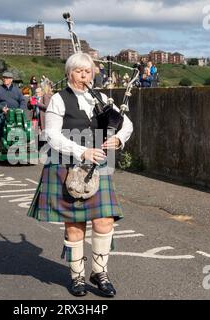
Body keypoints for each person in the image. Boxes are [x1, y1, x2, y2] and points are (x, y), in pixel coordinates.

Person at [27, 53, 133, 297]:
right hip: (66, 166)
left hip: (97, 168)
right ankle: (77, 276)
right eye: (78, 71)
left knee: (104, 220)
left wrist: (119, 138)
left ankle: (100, 271)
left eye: (87, 71)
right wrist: (82, 151)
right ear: (69, 74)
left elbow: (126, 124)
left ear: (93, 74)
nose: (83, 76)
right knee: (75, 225)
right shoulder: (58, 99)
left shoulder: (102, 99)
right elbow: (52, 135)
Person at [0, 71, 27, 139]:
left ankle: (22, 138)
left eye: (7, 78)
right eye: (4, 78)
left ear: (11, 79)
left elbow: (22, 100)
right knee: (0, 122)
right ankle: (1, 139)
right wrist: (2, 108)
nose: (5, 79)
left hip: (16, 113)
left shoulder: (17, 90)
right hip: (3, 113)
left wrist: (21, 109)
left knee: (23, 123)